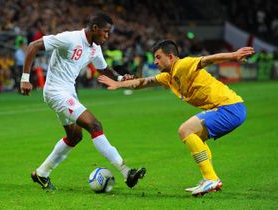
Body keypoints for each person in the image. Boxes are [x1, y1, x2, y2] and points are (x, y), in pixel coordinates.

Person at [98, 40, 255, 196]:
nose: (155, 61)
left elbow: (208, 59)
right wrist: (118, 85)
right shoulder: (168, 76)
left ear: (171, 56)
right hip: (228, 109)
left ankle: (211, 178)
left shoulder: (183, 65)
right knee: (195, 138)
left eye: (158, 57)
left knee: (185, 130)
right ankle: (210, 179)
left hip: (229, 108)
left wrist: (234, 55)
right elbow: (143, 82)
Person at [20, 12, 146, 190]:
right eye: (105, 32)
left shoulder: (95, 47)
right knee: (94, 125)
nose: (107, 36)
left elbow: (104, 70)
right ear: (95, 28)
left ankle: (41, 173)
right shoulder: (69, 38)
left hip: (69, 93)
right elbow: (33, 46)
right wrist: (25, 78)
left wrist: (120, 79)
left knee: (75, 136)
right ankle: (126, 172)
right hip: (56, 92)